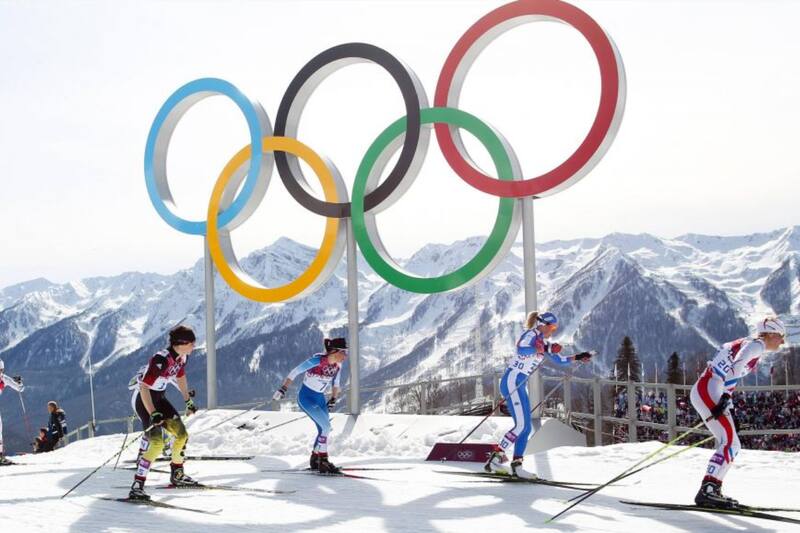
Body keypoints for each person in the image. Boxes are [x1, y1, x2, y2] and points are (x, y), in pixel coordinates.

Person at [691, 316, 786, 508]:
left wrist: (730, 407)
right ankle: (708, 489)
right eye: (780, 336)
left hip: (709, 389)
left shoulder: (751, 344)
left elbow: (729, 365)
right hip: (710, 388)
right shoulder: (756, 345)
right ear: (770, 333)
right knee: (731, 443)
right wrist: (726, 396)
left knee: (731, 442)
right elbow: (736, 366)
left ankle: (712, 488)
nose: (782, 341)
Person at [485, 312, 592, 477]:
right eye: (553, 327)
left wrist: (579, 356)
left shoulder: (543, 342)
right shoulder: (531, 335)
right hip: (512, 382)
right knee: (521, 426)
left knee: (526, 428)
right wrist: (538, 348)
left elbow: (559, 360)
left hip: (520, 385)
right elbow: (521, 348)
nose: (554, 330)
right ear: (543, 324)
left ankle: (517, 465)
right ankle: (496, 458)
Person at [127, 325, 199, 500]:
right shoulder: (161, 359)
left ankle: (177, 474)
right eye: (192, 343)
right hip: (145, 401)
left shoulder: (181, 358)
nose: (194, 347)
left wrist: (187, 401)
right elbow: (144, 388)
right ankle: (137, 485)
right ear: (181, 343)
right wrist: (153, 413)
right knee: (158, 443)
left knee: (181, 435)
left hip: (159, 399)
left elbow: (180, 377)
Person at [273, 337, 347, 474]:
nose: (345, 356)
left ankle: (315, 458)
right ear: (334, 351)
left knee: (324, 429)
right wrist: (283, 389)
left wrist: (333, 399)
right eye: (343, 352)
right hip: (306, 398)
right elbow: (294, 372)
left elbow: (336, 384)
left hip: (319, 399)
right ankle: (323, 460)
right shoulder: (316, 361)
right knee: (326, 426)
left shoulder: (338, 366)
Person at [0, 358, 24, 465]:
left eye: (1, 370)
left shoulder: (4, 379)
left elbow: (19, 388)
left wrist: (19, 383)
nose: (0, 372)